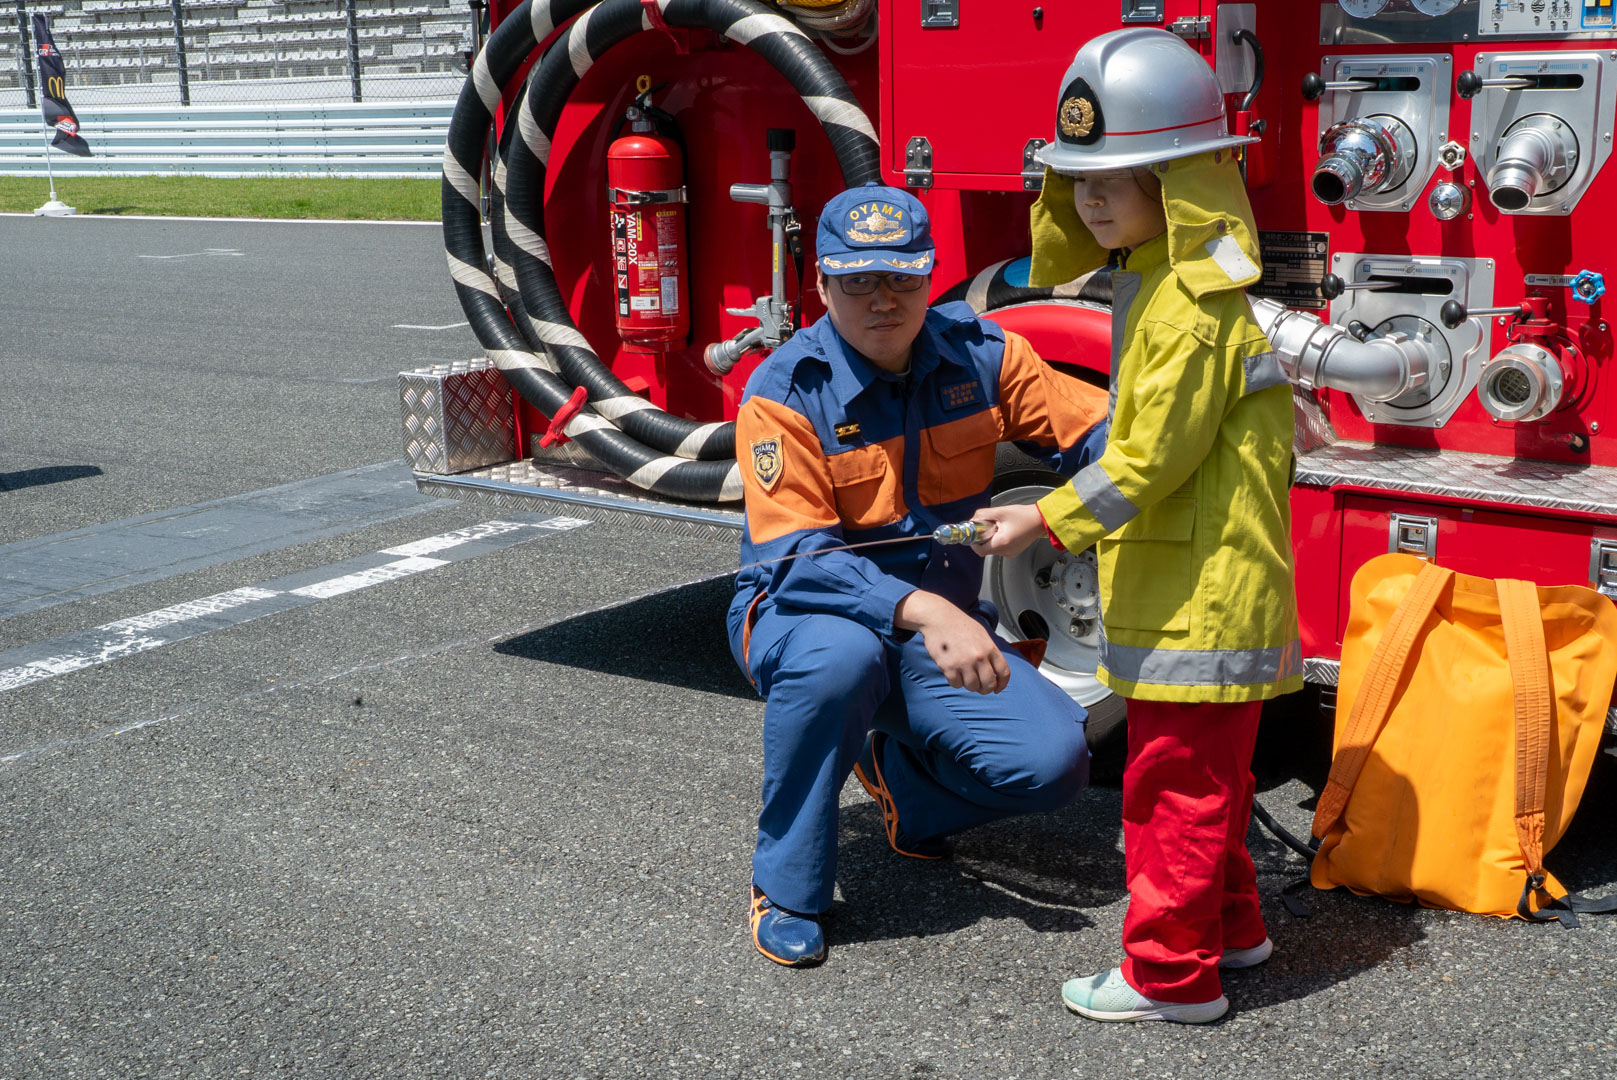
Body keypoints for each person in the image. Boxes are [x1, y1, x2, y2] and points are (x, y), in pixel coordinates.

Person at [974, 28, 1303, 1024]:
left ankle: (1169, 976)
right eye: (1078, 180)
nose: (1088, 200)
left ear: (1181, 183)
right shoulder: (1167, 285)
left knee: (1169, 791)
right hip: (1207, 590)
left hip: (1197, 600)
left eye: (1115, 178)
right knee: (1211, 781)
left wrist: (1043, 515)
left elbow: (1149, 459)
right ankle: (1231, 932)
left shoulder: (1183, 307)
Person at [728, 182, 1111, 967]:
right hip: (807, 611)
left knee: (1054, 762)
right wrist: (934, 614)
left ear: (929, 276)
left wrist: (1065, 510)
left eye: (901, 278)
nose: (882, 299)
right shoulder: (786, 391)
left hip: (932, 624)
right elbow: (799, 559)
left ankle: (905, 785)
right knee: (839, 661)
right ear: (821, 285)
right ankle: (788, 887)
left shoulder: (982, 353)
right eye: (858, 281)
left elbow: (1101, 431)